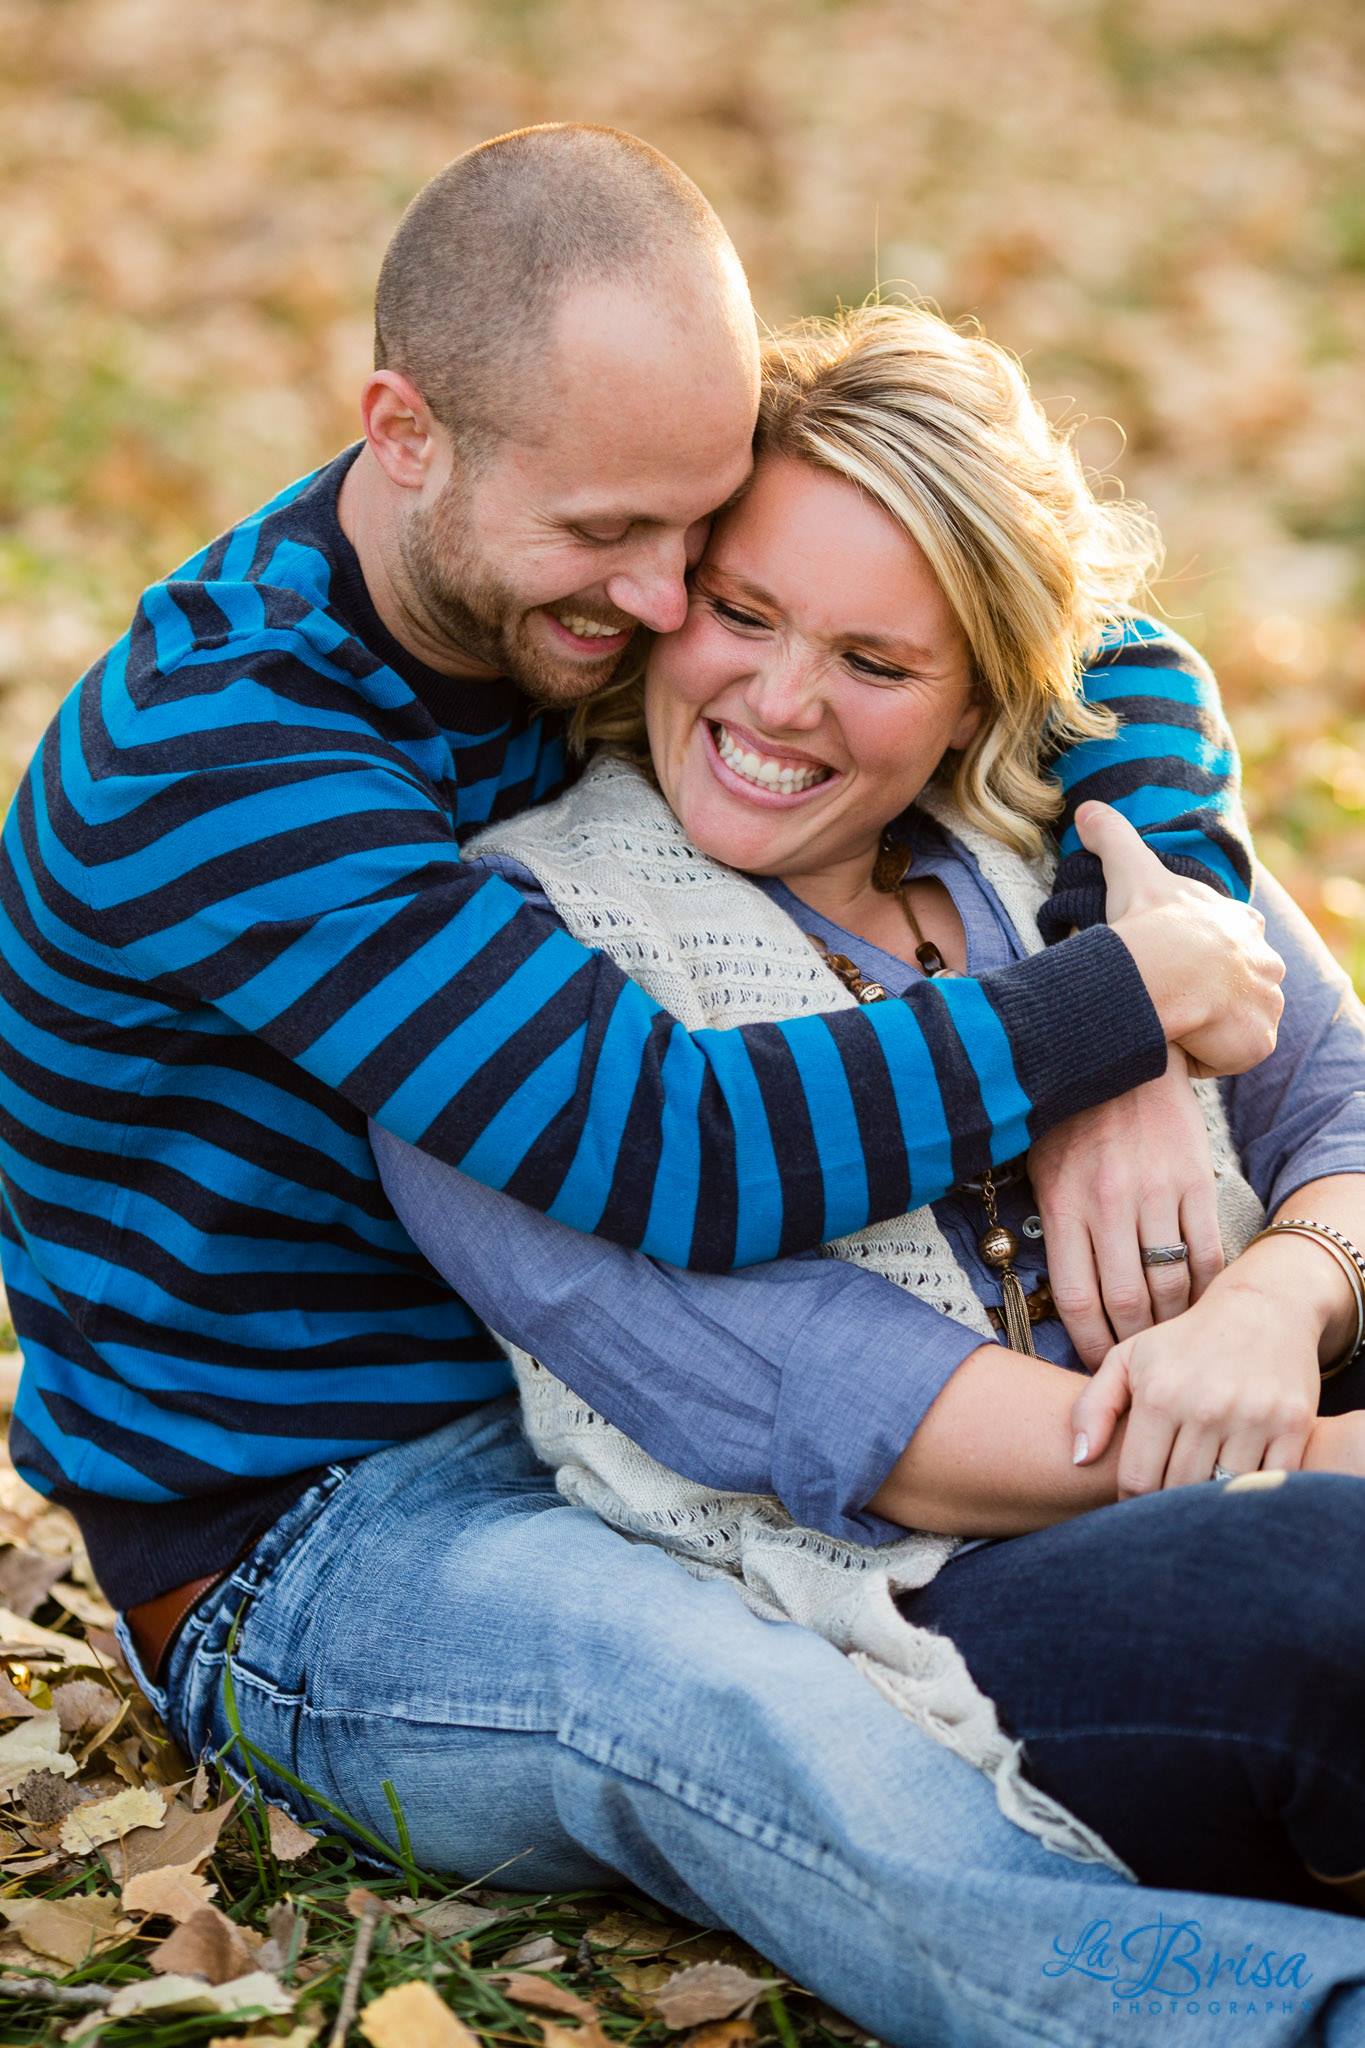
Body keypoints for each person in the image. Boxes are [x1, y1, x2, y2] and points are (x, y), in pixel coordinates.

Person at [0, 126, 1346, 2045]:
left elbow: (1067, 626)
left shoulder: (565, 539)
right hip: (330, 1513)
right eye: (616, 547)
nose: (658, 604)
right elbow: (676, 1149)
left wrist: (1139, 906)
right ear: (403, 433)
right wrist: (1111, 1012)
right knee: (735, 1716)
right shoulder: (227, 763)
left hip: (625, 1392)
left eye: (691, 535)